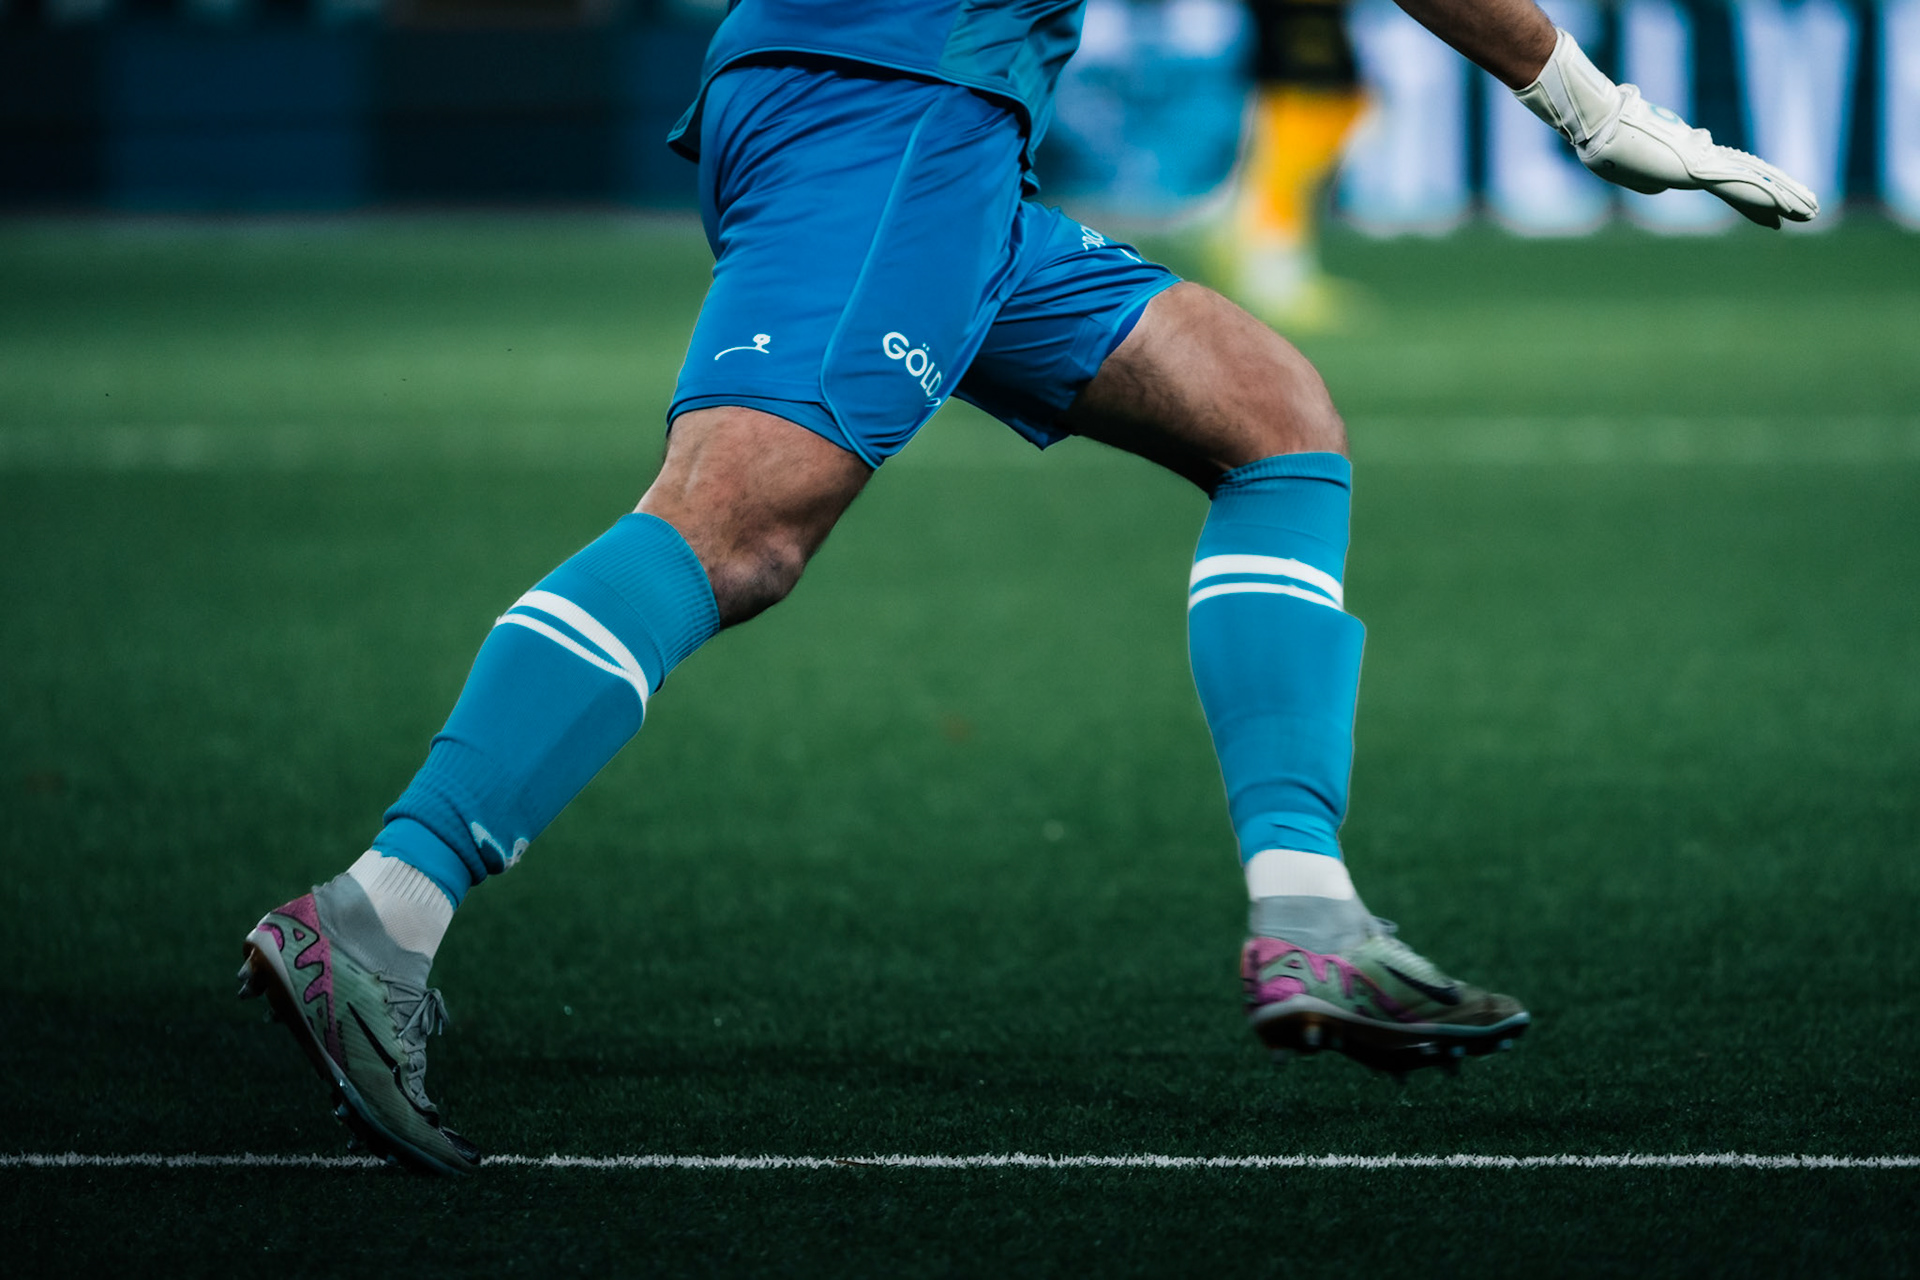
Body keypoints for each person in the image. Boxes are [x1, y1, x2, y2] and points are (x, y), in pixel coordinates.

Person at [237, 0, 1816, 1175]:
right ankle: (381, 912)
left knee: (1274, 421)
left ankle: (1307, 909)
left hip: (937, 127)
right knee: (738, 521)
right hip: (890, 102)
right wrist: (1582, 100)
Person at [1212, 0, 1368, 329]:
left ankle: (1258, 260)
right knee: (1283, 179)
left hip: (1319, 72)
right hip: (1291, 75)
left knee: (1293, 180)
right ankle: (1272, 276)